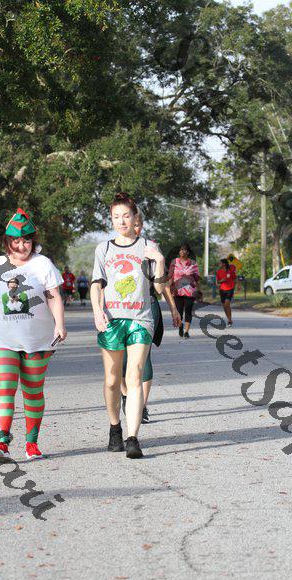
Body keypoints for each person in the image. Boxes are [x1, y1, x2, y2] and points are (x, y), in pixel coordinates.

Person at [0, 208, 67, 462]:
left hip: (38, 339)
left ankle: (31, 444)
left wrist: (60, 324)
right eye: (16, 241)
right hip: (0, 338)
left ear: (33, 241)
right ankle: (2, 442)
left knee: (33, 392)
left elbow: (53, 296)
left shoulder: (43, 264)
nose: (22, 245)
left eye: (26, 240)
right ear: (7, 242)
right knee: (4, 388)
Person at [90, 192, 166, 459]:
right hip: (111, 320)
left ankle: (133, 437)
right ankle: (115, 427)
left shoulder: (147, 246)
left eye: (126, 216)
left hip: (140, 319)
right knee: (113, 379)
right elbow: (96, 284)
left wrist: (160, 260)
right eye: (116, 217)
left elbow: (159, 289)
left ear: (135, 218)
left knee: (134, 376)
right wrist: (97, 311)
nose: (121, 221)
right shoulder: (104, 249)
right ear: (111, 220)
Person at [120, 210, 181, 423]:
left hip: (148, 305)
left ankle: (141, 406)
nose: (133, 228)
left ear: (141, 225)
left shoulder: (151, 248)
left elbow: (162, 283)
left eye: (137, 224)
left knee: (143, 358)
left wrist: (173, 308)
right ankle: (127, 395)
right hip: (120, 308)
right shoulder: (112, 248)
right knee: (121, 360)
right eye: (130, 223)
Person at [168, 244, 203, 338]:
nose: (182, 251)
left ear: (188, 252)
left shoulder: (193, 263)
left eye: (184, 250)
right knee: (179, 312)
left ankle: (186, 331)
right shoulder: (174, 262)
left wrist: (200, 291)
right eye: (181, 250)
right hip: (177, 291)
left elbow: (197, 278)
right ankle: (180, 326)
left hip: (190, 292)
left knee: (188, 311)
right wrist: (170, 288)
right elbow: (170, 276)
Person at [216, 258, 237, 327]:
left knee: (227, 304)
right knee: (224, 306)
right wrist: (221, 280)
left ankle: (230, 320)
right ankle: (228, 319)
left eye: (220, 263)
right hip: (222, 290)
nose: (219, 264)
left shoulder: (230, 271)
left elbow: (235, 278)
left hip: (230, 289)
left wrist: (235, 286)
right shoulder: (218, 271)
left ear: (224, 264)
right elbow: (217, 282)